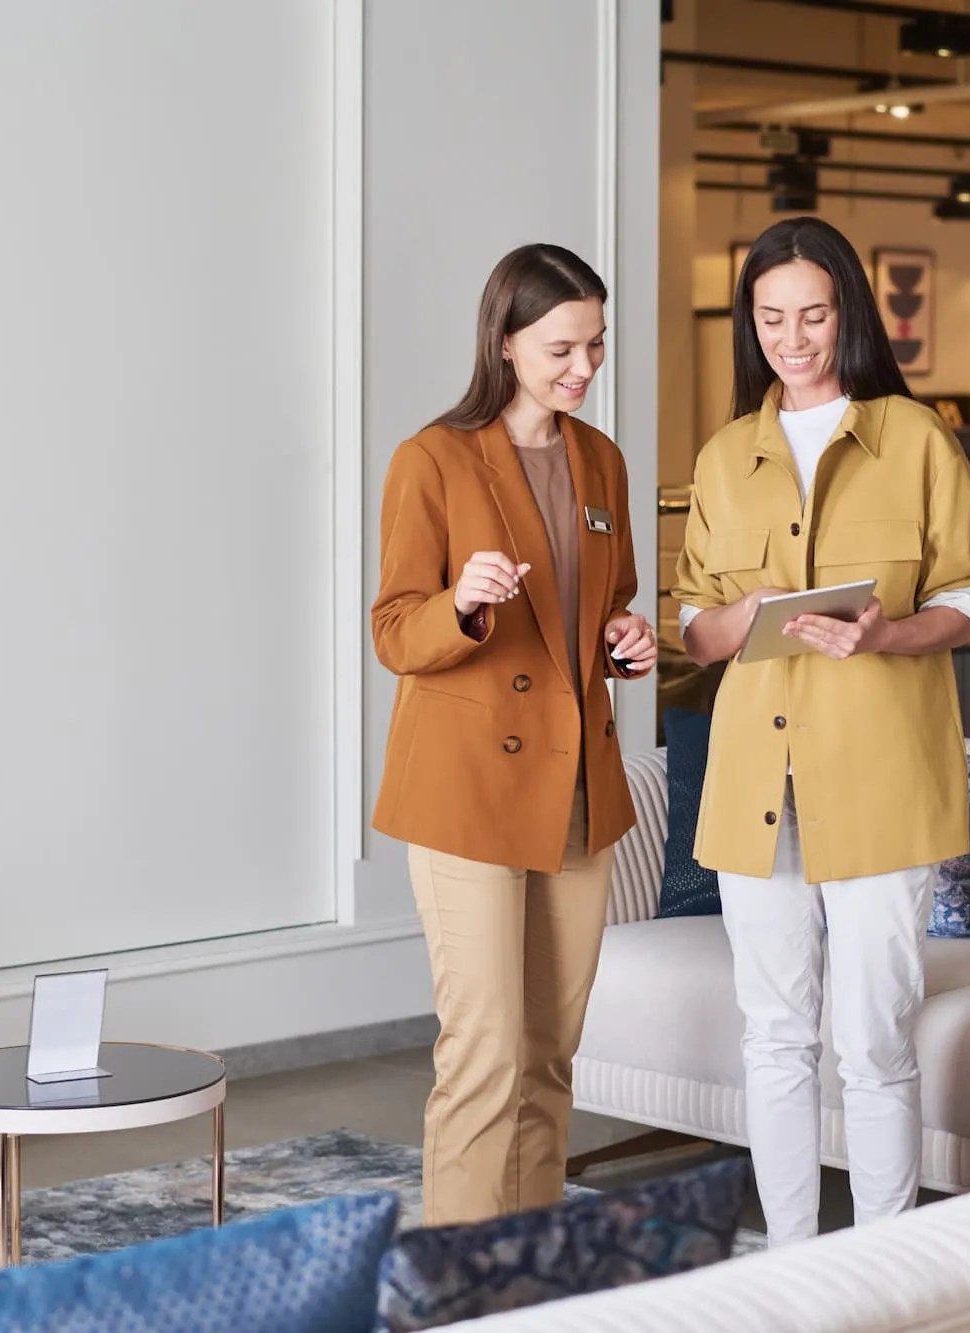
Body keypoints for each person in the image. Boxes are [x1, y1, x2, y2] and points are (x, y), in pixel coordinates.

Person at [672, 217, 970, 1247]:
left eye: (811, 314)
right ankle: (789, 1265)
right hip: (753, 780)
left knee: (872, 1037)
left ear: (847, 312)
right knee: (772, 1036)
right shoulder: (725, 457)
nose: (792, 337)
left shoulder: (917, 440)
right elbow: (692, 624)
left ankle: (888, 1266)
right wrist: (745, 611)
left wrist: (888, 632)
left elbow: (968, 601)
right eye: (770, 318)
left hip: (881, 778)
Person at [371, 243, 657, 1226]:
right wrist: (459, 600)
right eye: (561, 347)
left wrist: (624, 639)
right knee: (485, 1050)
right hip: (467, 796)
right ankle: (451, 1277)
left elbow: (602, 608)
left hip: (577, 792)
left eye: (595, 345)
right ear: (504, 342)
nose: (582, 367)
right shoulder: (432, 459)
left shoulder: (600, 460)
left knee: (548, 1051)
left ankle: (528, 1266)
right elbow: (393, 631)